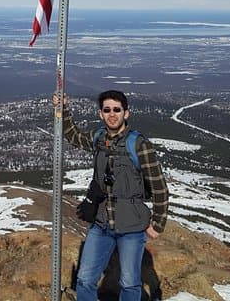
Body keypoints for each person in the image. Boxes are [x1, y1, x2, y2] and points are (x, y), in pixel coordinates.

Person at [54, 90, 169, 301]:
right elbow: (72, 135)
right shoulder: (98, 138)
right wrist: (62, 109)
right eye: (107, 110)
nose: (112, 114)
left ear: (126, 113)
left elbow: (159, 186)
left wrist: (158, 224)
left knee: (129, 283)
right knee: (85, 279)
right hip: (101, 224)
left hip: (132, 227)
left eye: (117, 109)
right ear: (101, 114)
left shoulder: (139, 145)